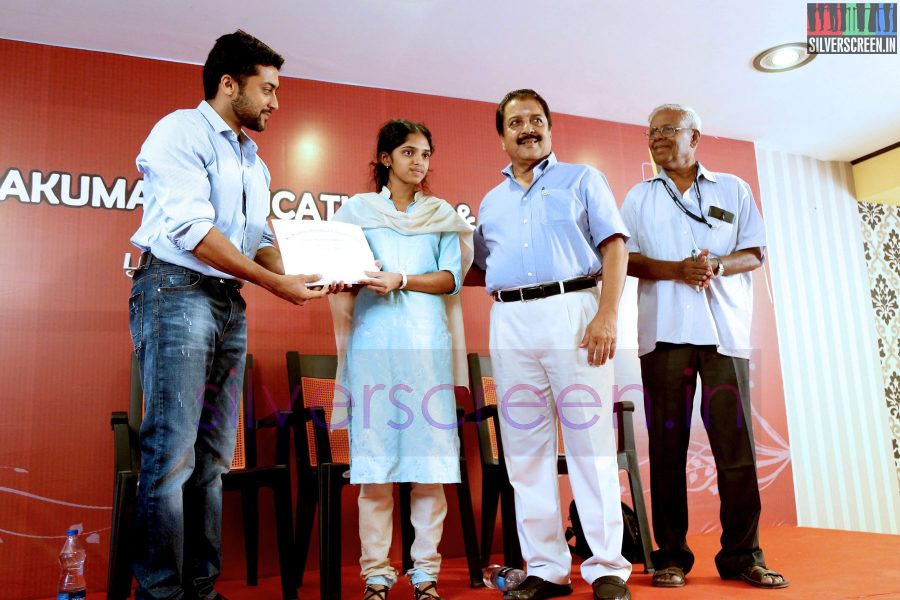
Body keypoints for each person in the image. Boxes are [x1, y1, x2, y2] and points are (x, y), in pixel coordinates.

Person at [128, 30, 334, 600]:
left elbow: (261, 239)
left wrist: (314, 272)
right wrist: (274, 284)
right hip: (176, 294)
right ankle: (161, 594)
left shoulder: (254, 162)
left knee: (213, 459)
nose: (275, 102)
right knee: (171, 453)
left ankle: (201, 587)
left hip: (226, 305)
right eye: (267, 89)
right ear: (228, 83)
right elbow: (194, 232)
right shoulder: (180, 131)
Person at [470, 89, 632, 600]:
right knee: (524, 451)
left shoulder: (582, 179)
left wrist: (607, 314)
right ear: (501, 136)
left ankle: (606, 566)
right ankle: (546, 568)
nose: (527, 128)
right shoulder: (490, 202)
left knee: (589, 445)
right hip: (510, 318)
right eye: (515, 122)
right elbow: (479, 267)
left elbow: (615, 247)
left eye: (536, 119)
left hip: (575, 311)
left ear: (550, 128)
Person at [619, 103, 789, 590]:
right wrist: (676, 270)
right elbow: (623, 258)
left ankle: (743, 555)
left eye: (668, 130)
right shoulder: (638, 196)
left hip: (724, 336)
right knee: (667, 450)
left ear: (696, 136)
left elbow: (754, 252)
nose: (657, 138)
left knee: (736, 452)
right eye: (651, 132)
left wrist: (716, 266)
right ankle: (671, 556)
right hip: (664, 337)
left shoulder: (733, 189)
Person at [329, 119, 473, 600]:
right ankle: (376, 575)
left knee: (429, 467)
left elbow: (450, 278)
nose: (420, 162)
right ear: (385, 158)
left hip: (426, 349)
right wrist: (342, 276)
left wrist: (402, 279)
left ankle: (425, 573)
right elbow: (345, 270)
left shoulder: (441, 215)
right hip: (373, 346)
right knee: (375, 467)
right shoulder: (357, 211)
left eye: (426, 154)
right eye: (409, 152)